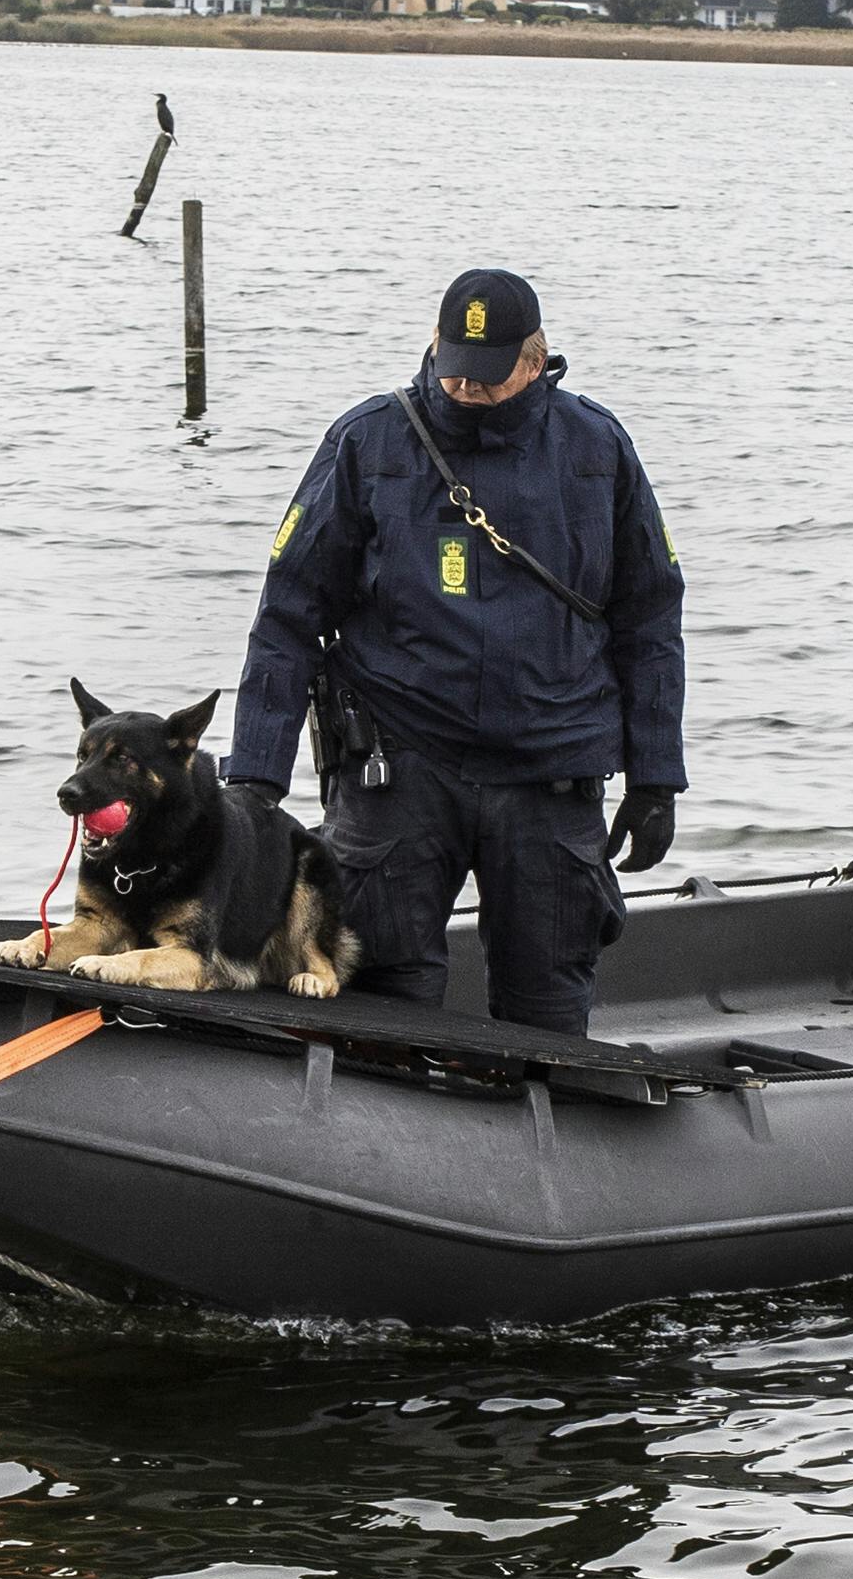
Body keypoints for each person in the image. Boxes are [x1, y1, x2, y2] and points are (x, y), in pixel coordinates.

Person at [220, 268, 688, 1036]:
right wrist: (255, 781)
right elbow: (287, 616)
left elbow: (651, 619)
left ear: (535, 362)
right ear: (433, 345)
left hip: (549, 770)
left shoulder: (596, 448)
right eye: (454, 368)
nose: (466, 387)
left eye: (488, 375)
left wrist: (655, 775)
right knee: (379, 995)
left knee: (547, 1004)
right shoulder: (367, 440)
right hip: (399, 765)